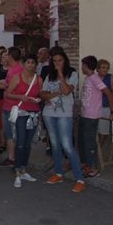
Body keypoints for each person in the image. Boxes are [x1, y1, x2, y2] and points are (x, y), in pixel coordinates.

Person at [40, 49, 85, 193]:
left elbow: (66, 91)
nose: (57, 63)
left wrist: (60, 75)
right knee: (55, 145)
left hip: (64, 114)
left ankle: (79, 179)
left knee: (67, 146)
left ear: (65, 61)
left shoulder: (72, 74)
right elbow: (42, 94)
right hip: (48, 113)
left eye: (60, 60)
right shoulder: (48, 75)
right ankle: (58, 173)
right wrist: (54, 93)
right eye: (54, 61)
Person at [5, 54, 43, 188]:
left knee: (28, 143)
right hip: (21, 113)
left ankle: (24, 169)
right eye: (28, 62)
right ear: (24, 64)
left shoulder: (38, 79)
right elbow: (7, 93)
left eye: (33, 63)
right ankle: (17, 172)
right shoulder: (17, 78)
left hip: (34, 113)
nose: (31, 65)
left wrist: (39, 99)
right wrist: (20, 97)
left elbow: (40, 94)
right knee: (20, 142)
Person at [79, 56, 113, 178]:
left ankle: (93, 168)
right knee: (84, 142)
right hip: (84, 114)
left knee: (90, 143)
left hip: (92, 116)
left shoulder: (95, 79)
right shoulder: (88, 78)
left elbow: (109, 93)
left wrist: (112, 111)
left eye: (83, 65)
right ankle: (86, 165)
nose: (82, 67)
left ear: (86, 66)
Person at [0, 46, 23, 167]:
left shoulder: (14, 71)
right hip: (13, 105)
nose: (5, 57)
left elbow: (9, 87)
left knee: (10, 133)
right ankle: (14, 157)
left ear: (11, 56)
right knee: (13, 133)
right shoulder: (19, 69)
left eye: (7, 55)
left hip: (11, 106)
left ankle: (12, 158)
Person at [96, 59, 113, 147]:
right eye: (103, 67)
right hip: (94, 108)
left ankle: (99, 149)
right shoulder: (94, 78)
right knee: (94, 129)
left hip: (105, 107)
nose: (105, 70)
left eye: (107, 68)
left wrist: (112, 109)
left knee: (103, 130)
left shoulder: (110, 77)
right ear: (97, 69)